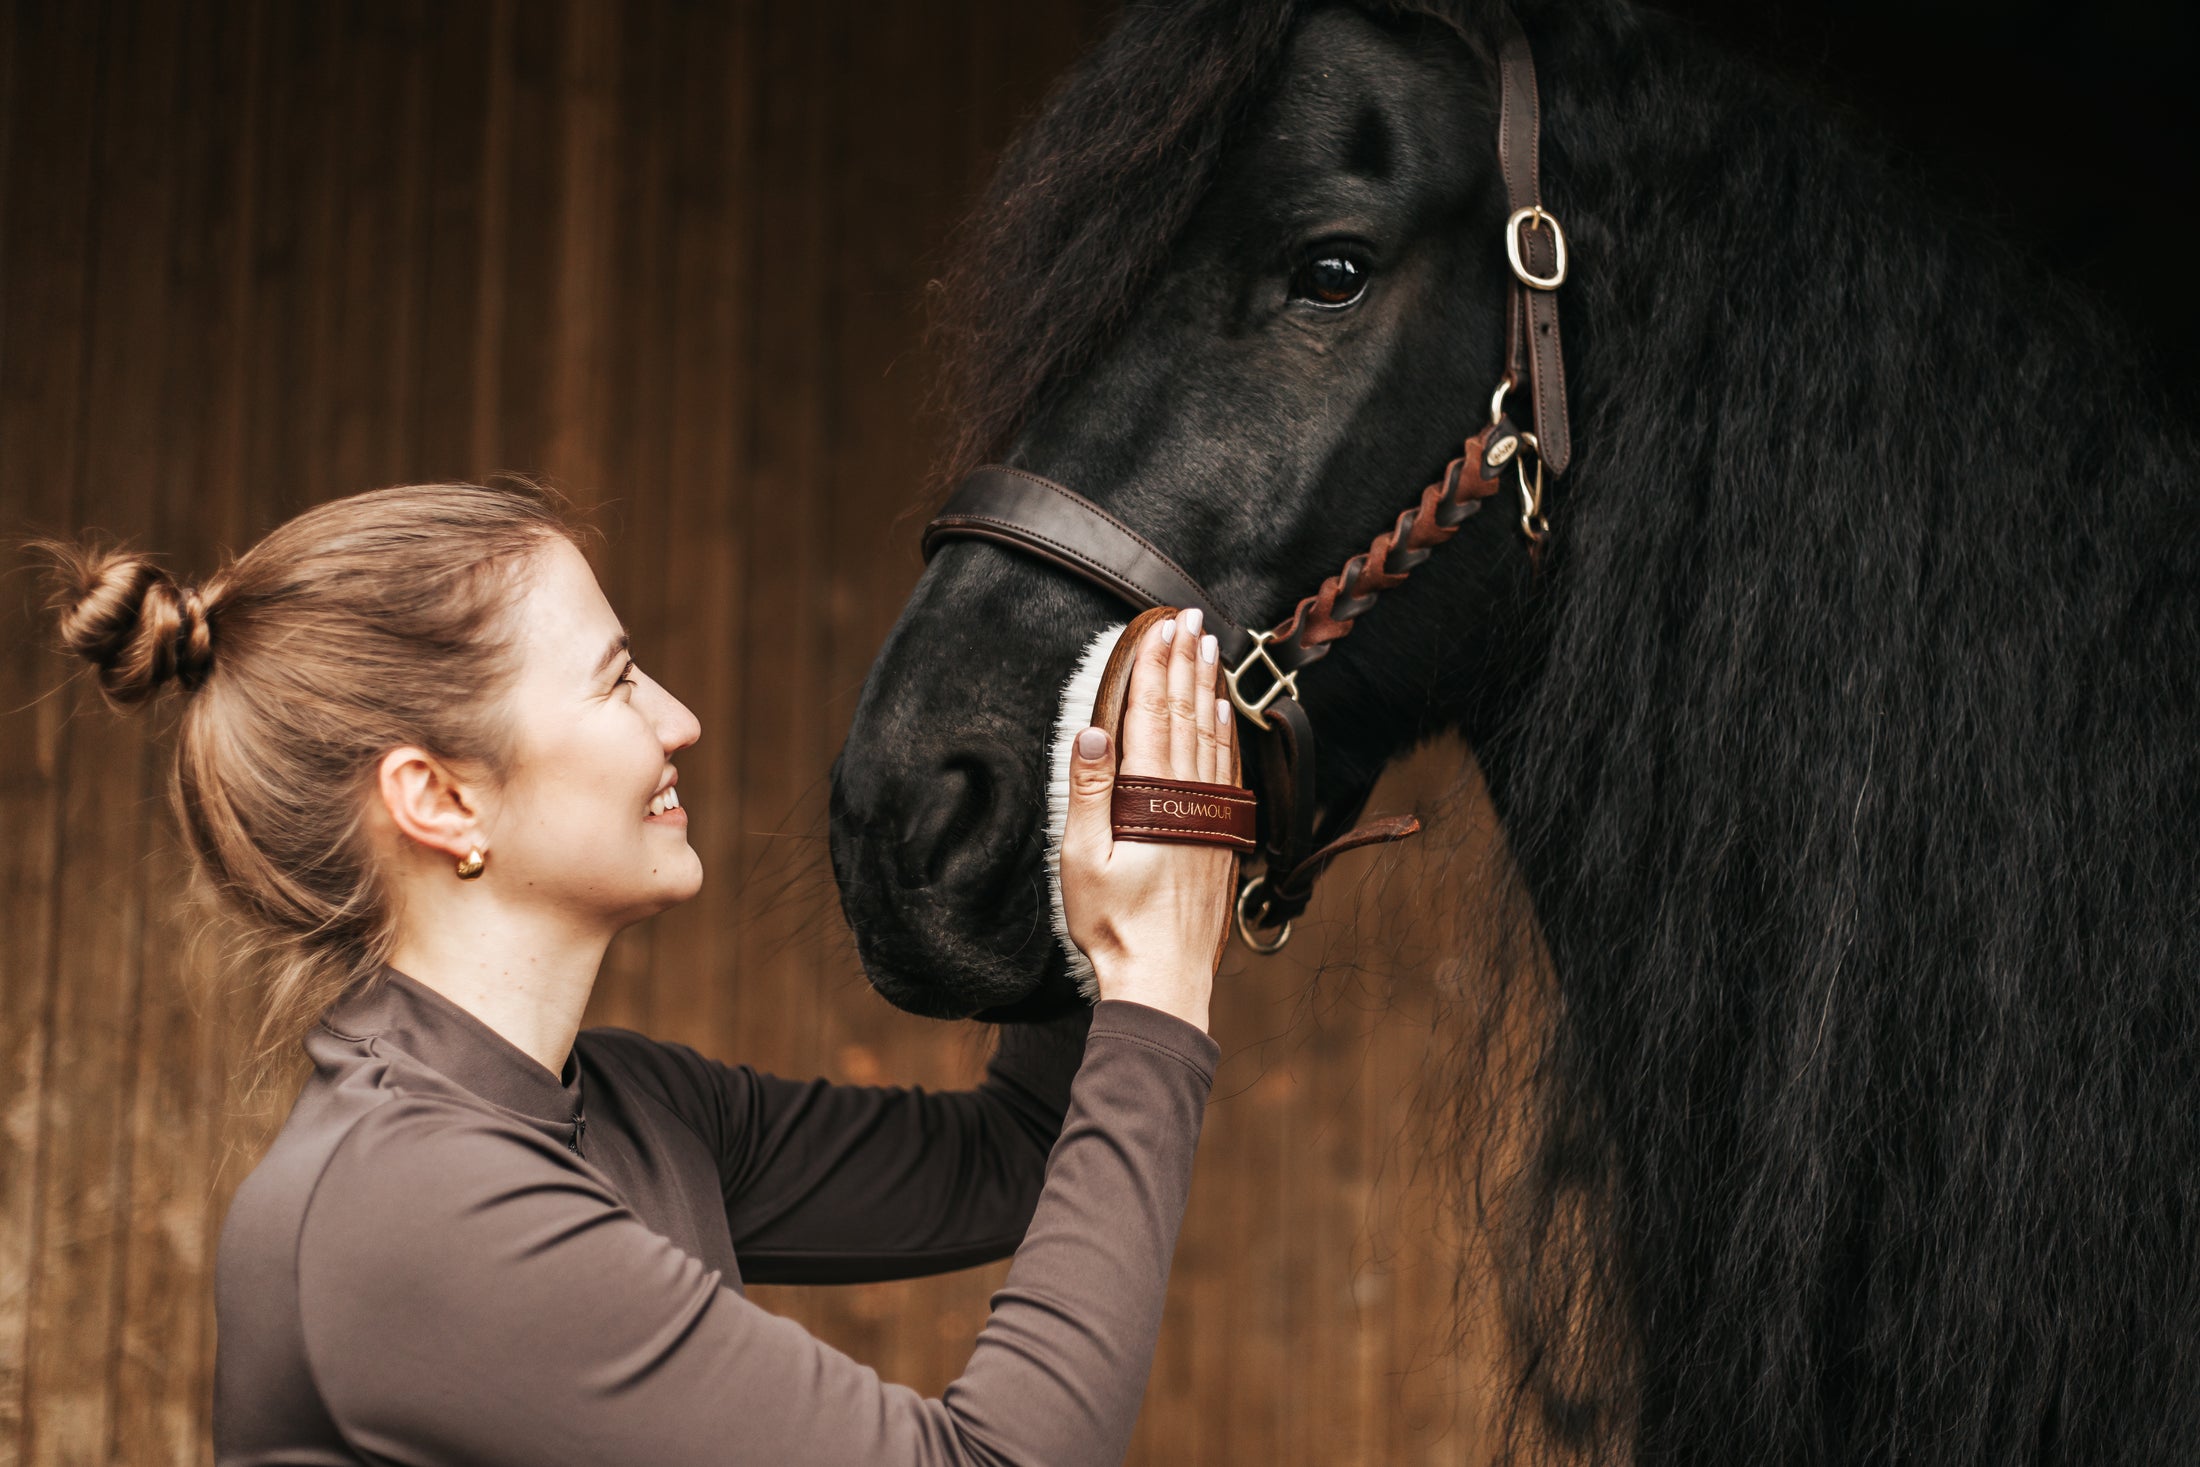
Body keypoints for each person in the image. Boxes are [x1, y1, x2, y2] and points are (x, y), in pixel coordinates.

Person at [34, 480, 1243, 1467]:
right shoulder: (412, 1209)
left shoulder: (620, 1108)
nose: (677, 719)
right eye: (616, 680)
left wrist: (1065, 804)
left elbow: (1022, 1155)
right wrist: (1154, 981)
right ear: (443, 799)